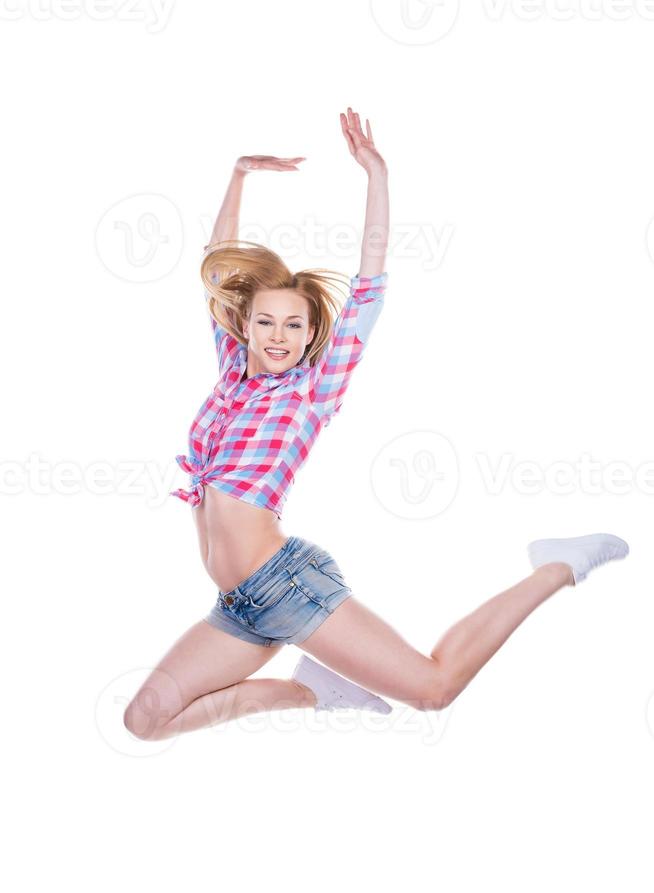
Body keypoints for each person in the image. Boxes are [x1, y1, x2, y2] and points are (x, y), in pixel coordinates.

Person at [123, 107, 629, 741]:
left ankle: (557, 567)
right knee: (145, 720)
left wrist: (375, 176)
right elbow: (220, 266)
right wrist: (238, 175)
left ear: (312, 335)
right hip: (241, 606)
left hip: (287, 585)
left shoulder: (311, 387)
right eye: (266, 322)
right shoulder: (233, 373)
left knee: (433, 688)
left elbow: (369, 282)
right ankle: (312, 692)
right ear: (244, 325)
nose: (279, 336)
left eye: (295, 325)